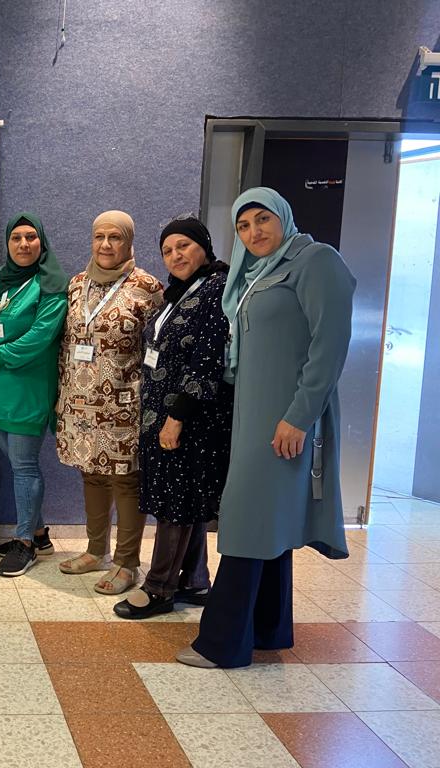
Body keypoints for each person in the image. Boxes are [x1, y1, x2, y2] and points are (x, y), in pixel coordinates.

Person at [177, 187, 355, 669]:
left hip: (286, 418)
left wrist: (299, 416)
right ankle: (268, 629)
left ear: (283, 217)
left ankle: (222, 644)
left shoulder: (316, 261)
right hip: (253, 416)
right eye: (243, 225)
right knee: (268, 520)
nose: (253, 232)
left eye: (262, 219)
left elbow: (329, 348)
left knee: (246, 518)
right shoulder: (257, 273)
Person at [113, 216, 232, 619]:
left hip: (189, 417)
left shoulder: (216, 289)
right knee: (184, 499)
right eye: (167, 250)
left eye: (184, 246)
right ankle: (195, 580)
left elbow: (206, 361)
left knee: (175, 504)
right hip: (161, 414)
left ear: (204, 246)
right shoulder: (177, 293)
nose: (175, 255)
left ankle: (159, 587)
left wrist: (177, 417)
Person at [55, 210, 163, 594]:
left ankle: (127, 563)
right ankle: (95, 550)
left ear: (128, 242)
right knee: (91, 474)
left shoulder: (147, 287)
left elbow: (159, 350)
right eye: (99, 236)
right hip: (79, 402)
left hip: (123, 403)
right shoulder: (77, 284)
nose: (105, 244)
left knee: (126, 481)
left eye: (114, 237)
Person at [0, 213, 69, 577]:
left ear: (41, 242)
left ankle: (24, 544)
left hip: (27, 387)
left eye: (31, 237)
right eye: (16, 238)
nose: (23, 244)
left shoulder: (51, 284)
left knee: (24, 466)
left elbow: (42, 334)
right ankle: (38, 533)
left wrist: (0, 356)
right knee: (16, 462)